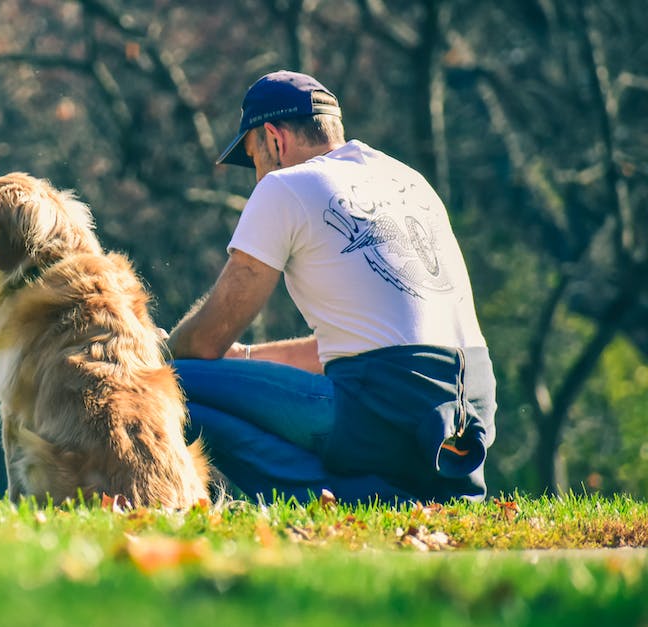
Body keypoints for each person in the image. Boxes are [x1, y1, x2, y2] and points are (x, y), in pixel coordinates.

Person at [166, 70, 497, 502]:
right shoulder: (410, 181)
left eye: (254, 159)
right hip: (471, 410)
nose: (257, 177)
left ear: (275, 140)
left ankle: (349, 496)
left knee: (166, 387)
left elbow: (208, 338)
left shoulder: (285, 186)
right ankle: (407, 491)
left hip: (383, 407)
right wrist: (245, 357)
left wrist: (155, 352)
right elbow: (374, 344)